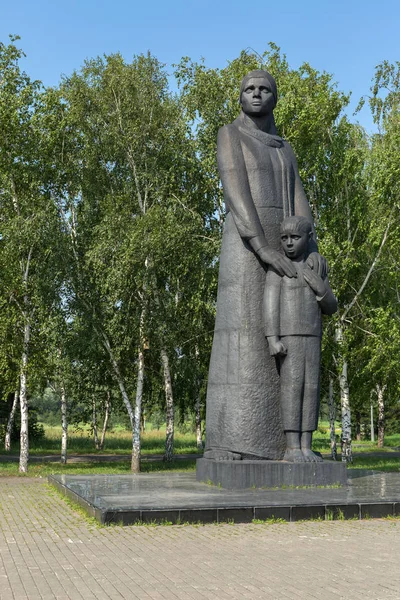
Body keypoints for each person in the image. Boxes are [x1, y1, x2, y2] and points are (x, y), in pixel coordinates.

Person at [204, 69, 325, 461]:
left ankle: (289, 444)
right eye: (249, 89)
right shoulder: (231, 135)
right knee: (244, 345)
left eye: (265, 90)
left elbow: (299, 199)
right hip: (245, 250)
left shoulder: (282, 147)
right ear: (239, 97)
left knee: (283, 351)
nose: (256, 95)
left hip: (287, 249)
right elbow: (236, 192)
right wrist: (261, 247)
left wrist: (312, 249)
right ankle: (233, 443)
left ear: (275, 98)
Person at [264, 216, 337, 462]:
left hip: (312, 336)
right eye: (284, 238)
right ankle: (292, 447)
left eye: (295, 238)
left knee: (311, 389)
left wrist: (321, 288)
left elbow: (331, 306)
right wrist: (273, 338)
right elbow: (270, 305)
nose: (289, 243)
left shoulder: (316, 268)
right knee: (292, 389)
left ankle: (307, 444)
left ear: (308, 239)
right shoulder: (279, 269)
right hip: (290, 339)